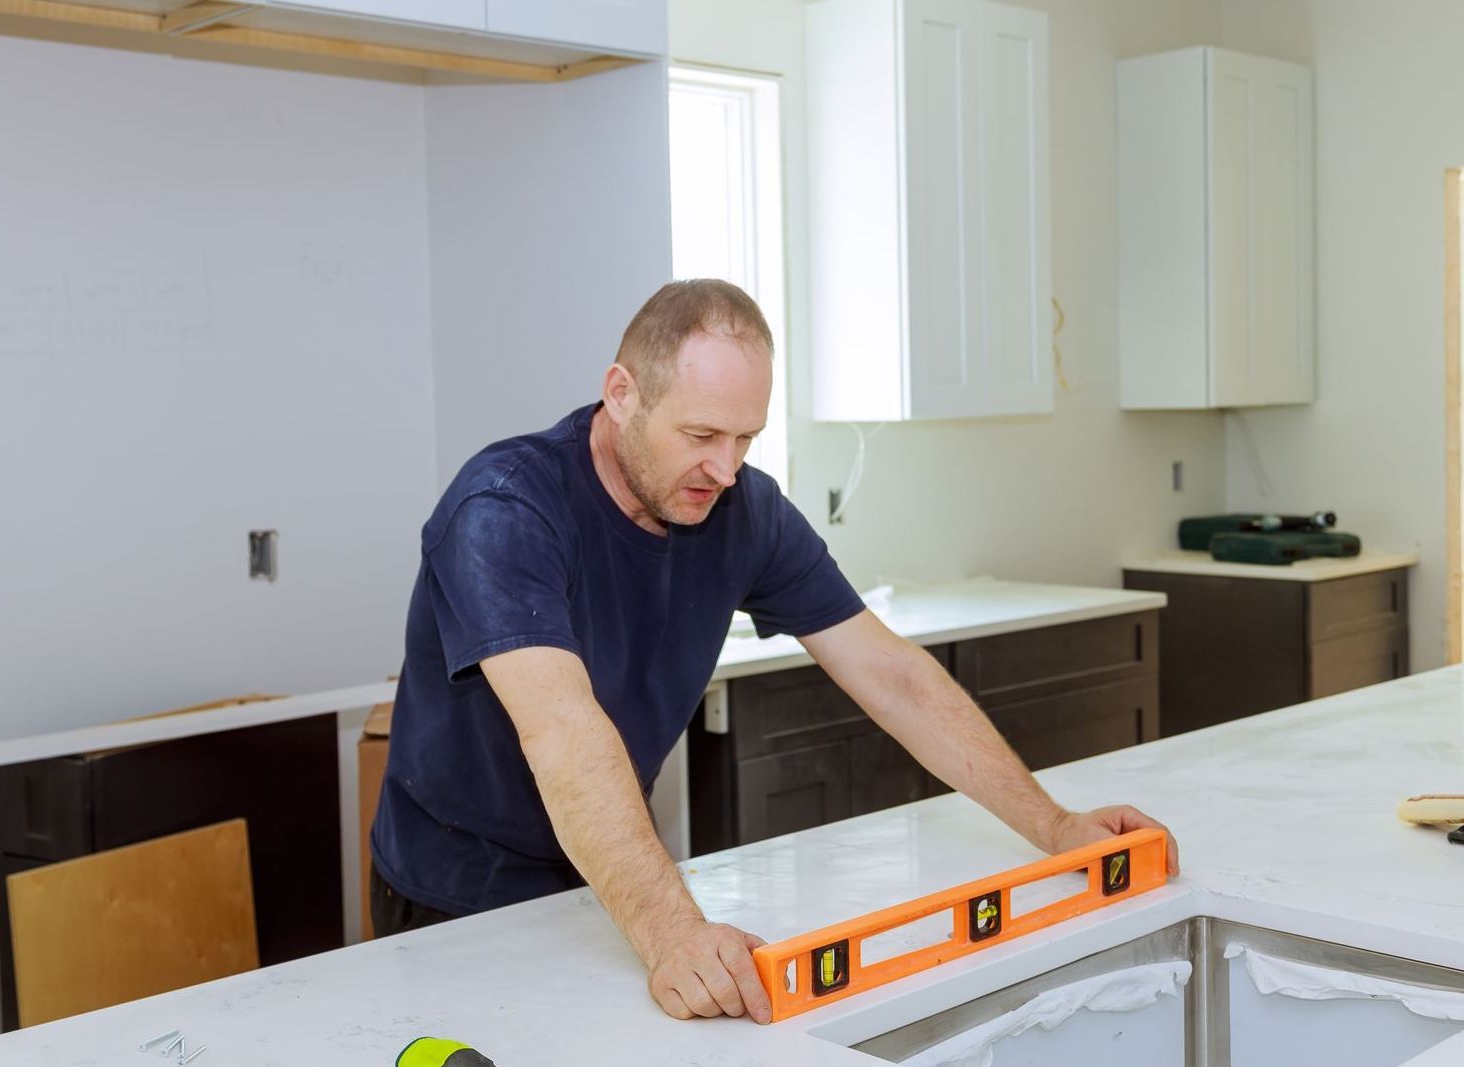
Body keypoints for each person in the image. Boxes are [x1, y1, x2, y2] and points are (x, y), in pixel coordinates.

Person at [370, 279, 1179, 1025]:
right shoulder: (505, 508)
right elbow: (563, 732)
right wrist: (672, 931)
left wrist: (1054, 824)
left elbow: (890, 673)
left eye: (745, 438)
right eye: (700, 434)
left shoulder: (739, 508)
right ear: (621, 394)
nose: (723, 467)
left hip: (602, 883)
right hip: (456, 898)